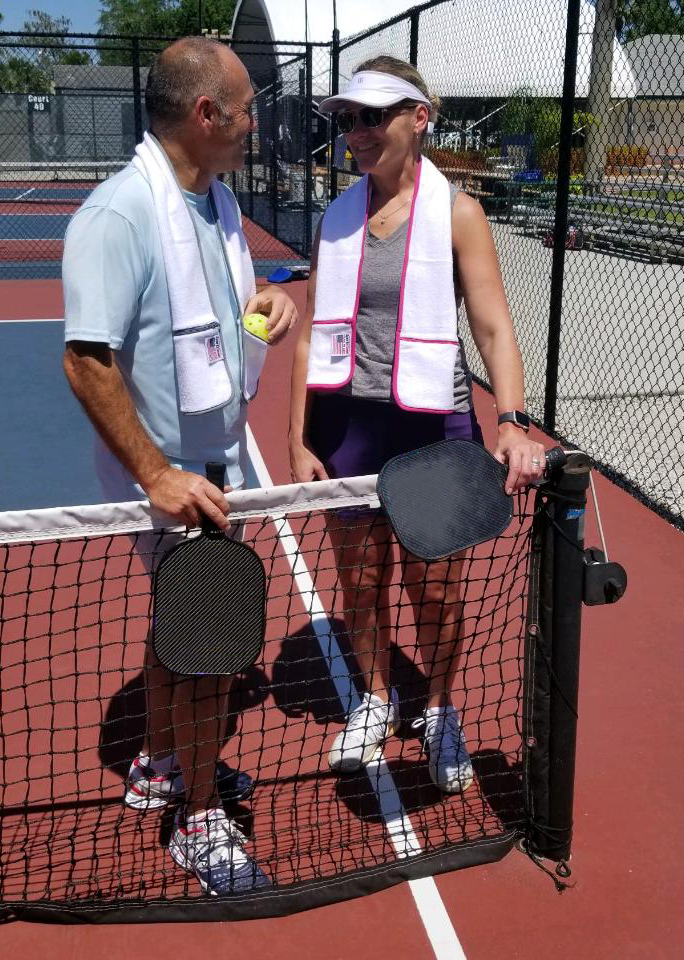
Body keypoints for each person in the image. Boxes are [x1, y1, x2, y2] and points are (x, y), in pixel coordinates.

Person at [62, 37, 297, 894]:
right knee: (210, 652)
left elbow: (219, 333)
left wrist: (262, 314)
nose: (252, 125)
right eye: (243, 111)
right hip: (175, 479)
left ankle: (166, 761)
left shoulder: (214, 204)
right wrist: (158, 477)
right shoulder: (121, 215)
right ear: (206, 116)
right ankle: (198, 817)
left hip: (215, 460)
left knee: (185, 638)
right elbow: (87, 360)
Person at [289, 57, 545, 793]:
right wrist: (298, 437)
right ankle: (374, 697)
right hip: (348, 430)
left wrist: (514, 420)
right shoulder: (337, 216)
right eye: (347, 120)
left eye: (373, 117)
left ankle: (436, 708)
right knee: (362, 583)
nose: (357, 134)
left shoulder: (458, 213)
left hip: (433, 431)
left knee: (435, 590)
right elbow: (310, 331)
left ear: (419, 117)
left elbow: (494, 327)